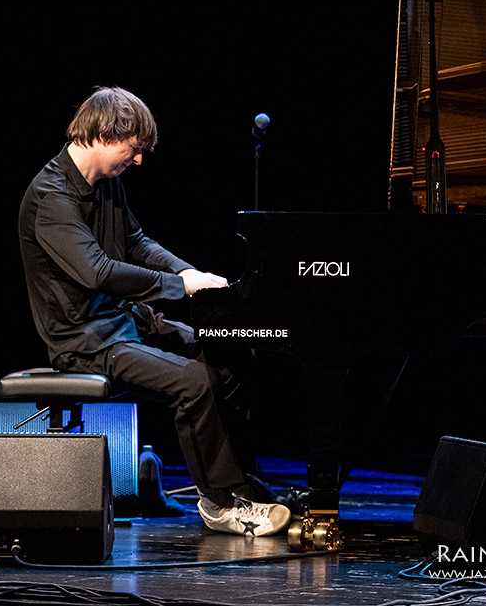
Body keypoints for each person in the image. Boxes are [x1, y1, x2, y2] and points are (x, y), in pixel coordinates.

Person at [19, 85, 291, 535]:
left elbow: (137, 243)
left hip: (124, 324)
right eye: (134, 148)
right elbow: (98, 271)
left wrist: (194, 275)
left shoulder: (108, 186)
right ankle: (221, 504)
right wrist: (177, 286)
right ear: (106, 134)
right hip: (84, 342)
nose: (139, 160)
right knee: (194, 382)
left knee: (228, 358)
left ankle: (245, 487)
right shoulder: (51, 197)